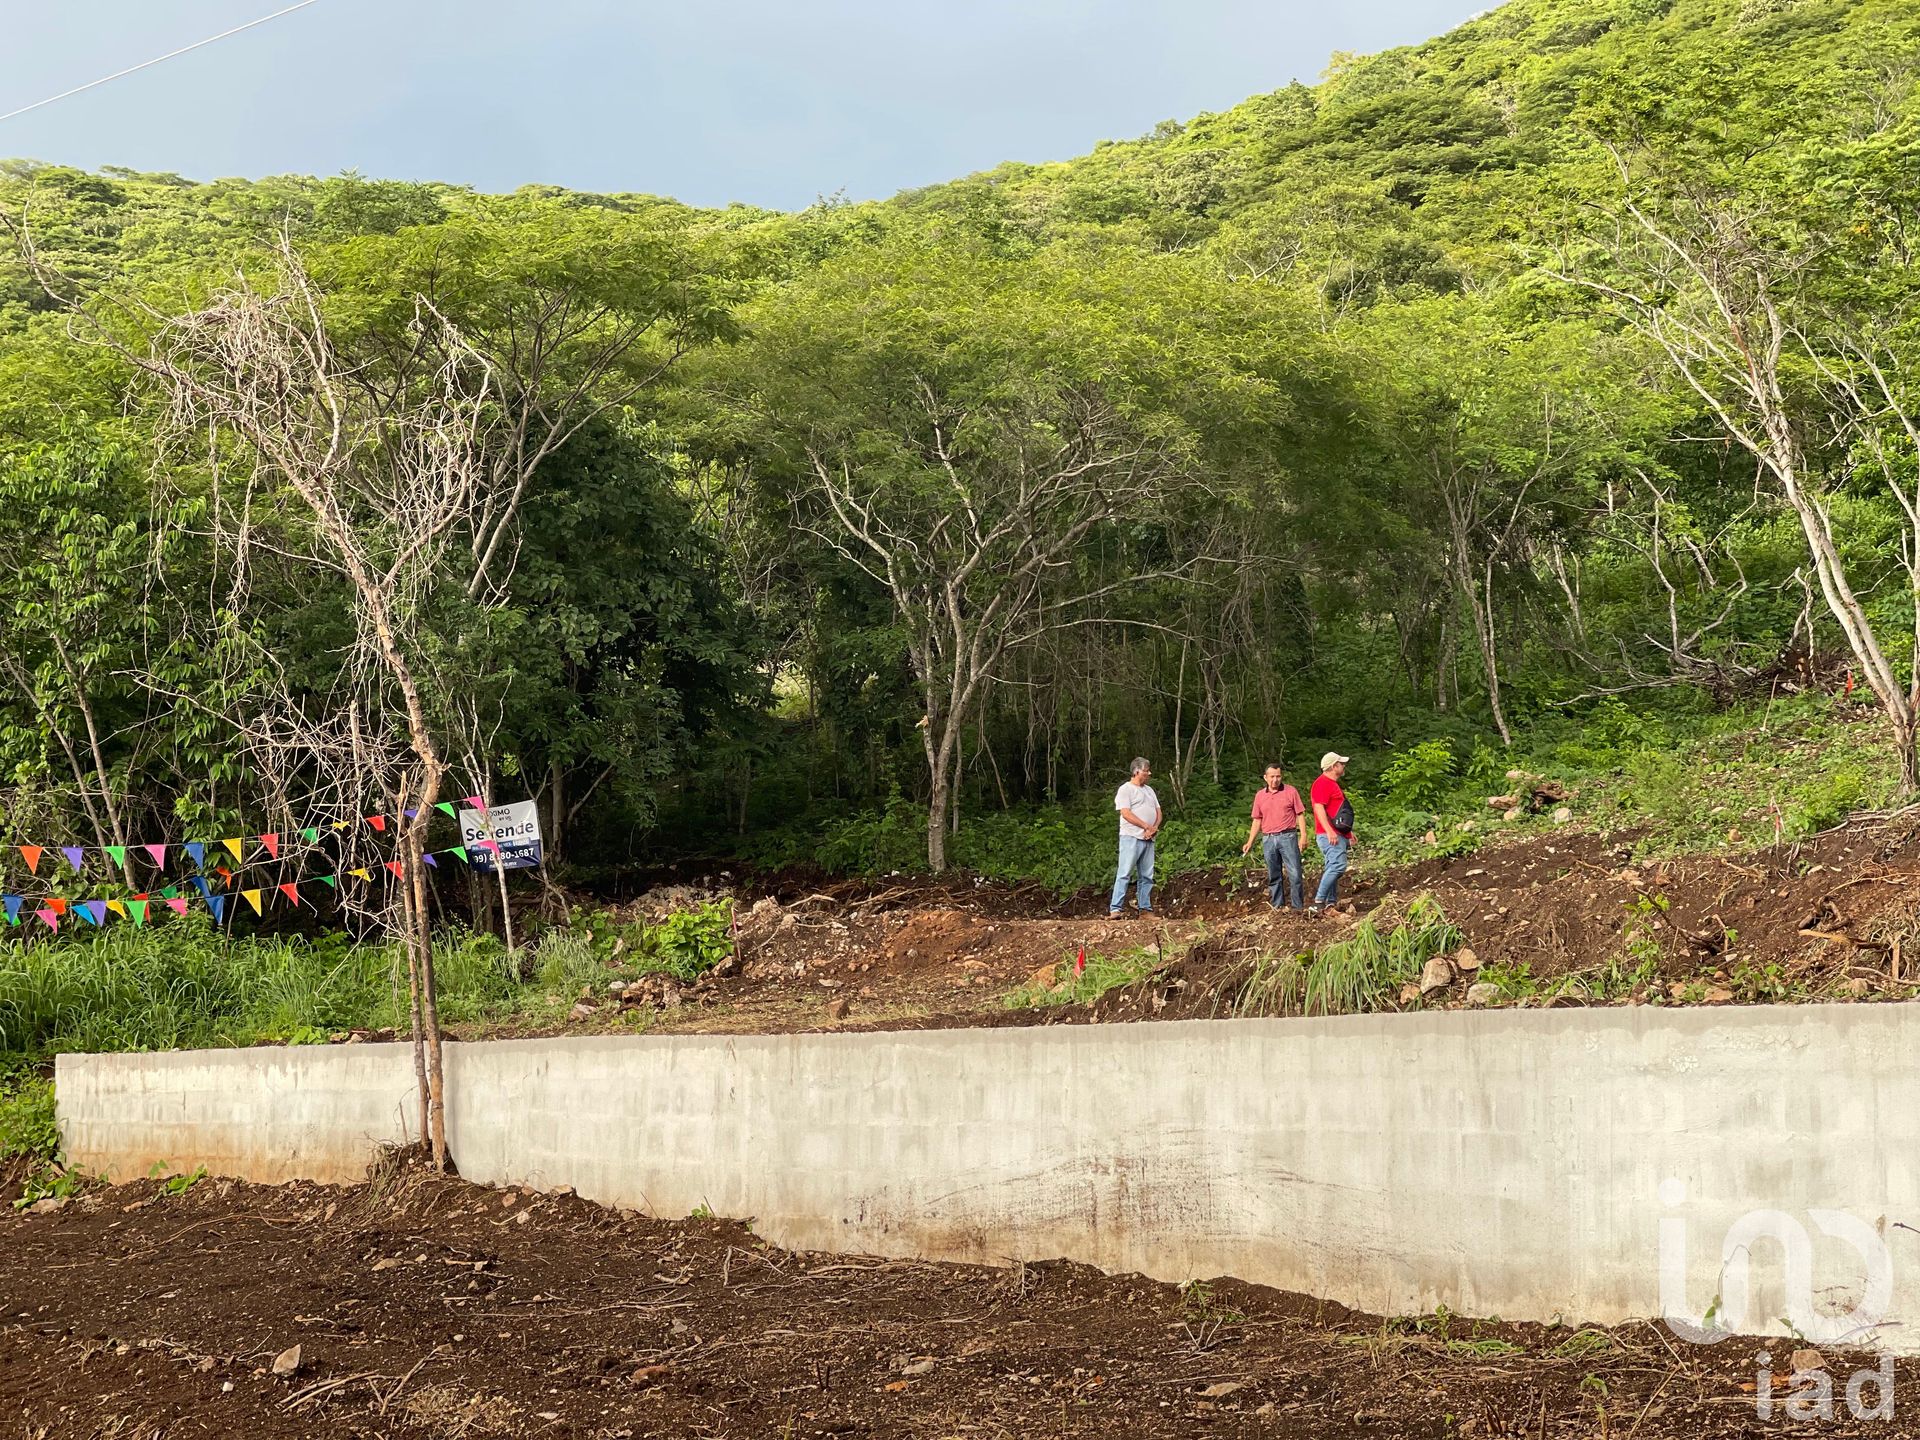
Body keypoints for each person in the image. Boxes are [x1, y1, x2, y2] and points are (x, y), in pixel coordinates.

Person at [1241, 763, 1309, 912]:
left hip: (1288, 836)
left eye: (1278, 776)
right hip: (1268, 839)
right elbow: (1257, 820)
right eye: (1272, 777)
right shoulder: (1260, 795)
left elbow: (1300, 814)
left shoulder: (1291, 791)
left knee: (1295, 873)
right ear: (1266, 778)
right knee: (1274, 874)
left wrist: (1303, 835)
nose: (1275, 780)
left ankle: (1297, 908)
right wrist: (1250, 842)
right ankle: (1278, 907)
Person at [1110, 757, 1160, 919]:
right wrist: (1146, 826)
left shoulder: (1149, 790)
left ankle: (1145, 909)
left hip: (1148, 838)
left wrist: (1153, 828)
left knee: (1147, 875)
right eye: (1146, 770)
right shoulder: (1126, 789)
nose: (1148, 773)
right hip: (1131, 836)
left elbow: (1158, 812)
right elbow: (1126, 813)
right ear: (1137, 771)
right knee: (1124, 872)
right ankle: (1116, 908)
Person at [1309, 752, 1353, 915]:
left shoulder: (1331, 784)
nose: (1343, 766)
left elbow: (1336, 812)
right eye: (1341, 764)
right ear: (1334, 766)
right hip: (1329, 835)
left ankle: (1330, 903)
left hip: (1337, 834)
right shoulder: (1322, 783)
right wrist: (1328, 831)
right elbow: (1319, 807)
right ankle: (1319, 902)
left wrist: (1348, 834)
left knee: (1331, 867)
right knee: (1338, 865)